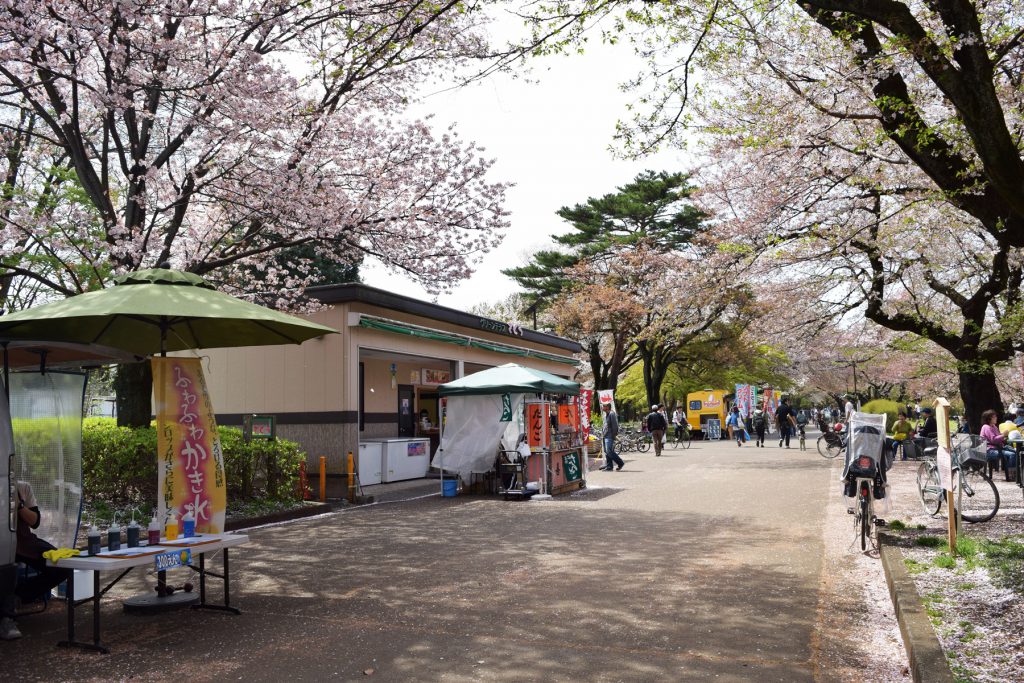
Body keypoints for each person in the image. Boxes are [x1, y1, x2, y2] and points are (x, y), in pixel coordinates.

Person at [14, 481, 71, 608]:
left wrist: (20, 506)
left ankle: (17, 596)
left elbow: (35, 522)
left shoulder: (22, 487)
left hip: (23, 542)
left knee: (64, 566)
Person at [980, 409, 1017, 480]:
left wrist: (1004, 437)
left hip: (997, 448)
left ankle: (1014, 474)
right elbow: (993, 440)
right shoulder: (986, 427)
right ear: (989, 418)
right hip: (989, 450)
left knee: (1015, 452)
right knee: (1012, 454)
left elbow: (998, 437)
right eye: (994, 417)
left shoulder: (994, 426)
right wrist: (1003, 435)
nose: (996, 418)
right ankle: (1011, 475)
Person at [600, 403, 624, 471]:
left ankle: (620, 463)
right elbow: (605, 425)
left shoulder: (611, 414)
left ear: (607, 407)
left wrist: (614, 435)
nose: (602, 407)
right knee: (607, 451)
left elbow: (615, 426)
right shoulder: (606, 415)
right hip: (605, 435)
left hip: (610, 435)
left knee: (609, 451)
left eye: (603, 406)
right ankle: (609, 466)